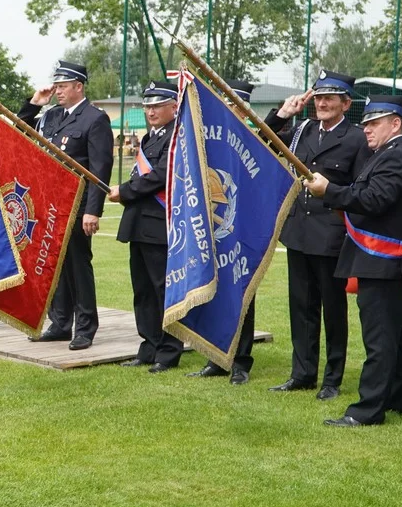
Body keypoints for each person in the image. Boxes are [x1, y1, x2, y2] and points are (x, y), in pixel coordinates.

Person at [302, 95, 402, 427]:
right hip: (383, 259)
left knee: (379, 338)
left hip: (383, 258)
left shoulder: (397, 157)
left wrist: (329, 190)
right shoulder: (385, 154)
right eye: (366, 123)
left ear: (395, 124)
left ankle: (367, 410)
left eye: (374, 123)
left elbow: (374, 199)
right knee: (395, 333)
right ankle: (399, 398)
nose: (366, 129)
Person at [263, 70, 371, 401]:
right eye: (319, 97)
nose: (322, 104)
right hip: (300, 231)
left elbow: (360, 186)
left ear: (345, 103)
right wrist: (282, 114)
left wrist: (333, 192)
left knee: (332, 308)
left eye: (330, 98)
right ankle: (302, 373)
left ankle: (332, 378)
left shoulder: (356, 138)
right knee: (301, 306)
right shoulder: (303, 131)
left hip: (332, 233)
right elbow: (265, 141)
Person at [18, 60, 114, 350]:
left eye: (63, 86)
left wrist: (92, 210)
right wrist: (35, 103)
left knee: (78, 267)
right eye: (56, 86)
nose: (57, 91)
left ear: (78, 86)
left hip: (77, 205)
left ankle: (85, 328)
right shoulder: (52, 116)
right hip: (50, 206)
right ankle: (60, 323)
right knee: (53, 266)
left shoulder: (94, 119)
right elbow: (21, 132)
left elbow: (99, 169)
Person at [184, 79, 271, 385]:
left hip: (245, 230)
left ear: (244, 108)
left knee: (243, 292)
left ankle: (241, 362)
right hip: (212, 230)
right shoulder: (211, 138)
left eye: (232, 104)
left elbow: (270, 150)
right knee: (214, 292)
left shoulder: (254, 138)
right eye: (224, 103)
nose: (227, 109)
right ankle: (216, 357)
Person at [111, 81, 183, 373]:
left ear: (173, 107)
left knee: (162, 289)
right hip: (139, 223)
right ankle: (149, 345)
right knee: (142, 290)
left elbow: (162, 175)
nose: (151, 111)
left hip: (160, 224)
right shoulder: (148, 138)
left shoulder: (177, 137)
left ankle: (168, 350)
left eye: (157, 105)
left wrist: (125, 191)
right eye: (148, 106)